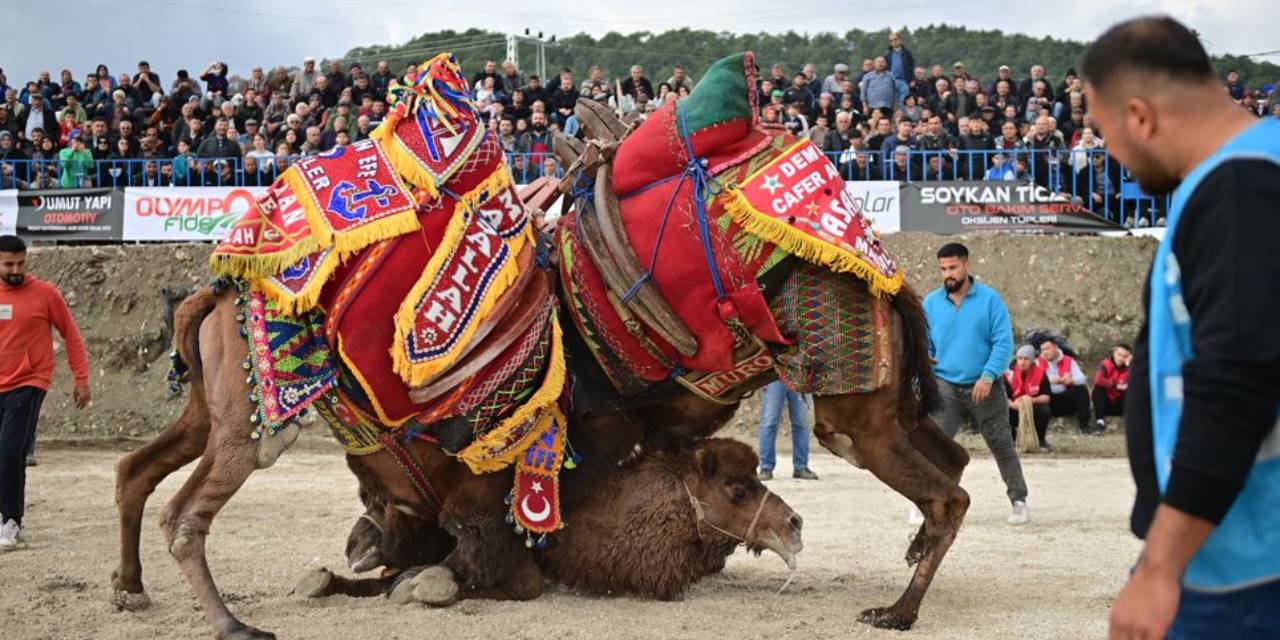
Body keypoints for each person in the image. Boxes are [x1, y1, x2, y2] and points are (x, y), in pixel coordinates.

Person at [1080, 16, 1280, 639]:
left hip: (1244, 565)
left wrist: (1161, 565)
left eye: (1104, 133)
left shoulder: (1240, 188)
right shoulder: (1248, 171)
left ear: (1139, 116)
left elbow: (1236, 384)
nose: (1108, 152)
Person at [923, 242, 1029, 525]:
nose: (948, 274)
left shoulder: (990, 300)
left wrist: (988, 375)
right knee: (936, 446)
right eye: (943, 269)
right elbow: (926, 343)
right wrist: (926, 358)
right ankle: (929, 502)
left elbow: (1003, 342)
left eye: (953, 268)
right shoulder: (931, 302)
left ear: (966, 265)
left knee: (1001, 443)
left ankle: (1019, 500)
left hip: (985, 385)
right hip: (945, 384)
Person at [0, 235, 91, 550]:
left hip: (30, 381)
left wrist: (81, 379)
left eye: (21, 263)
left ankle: (10, 521)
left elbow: (72, 336)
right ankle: (10, 514)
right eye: (9, 264)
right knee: (7, 454)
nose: (16, 269)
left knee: (10, 452)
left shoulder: (45, 294)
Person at [756, 380, 819, 481]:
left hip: (800, 376)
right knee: (769, 422)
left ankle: (801, 467)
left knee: (801, 423)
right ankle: (766, 468)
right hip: (774, 377)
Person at [1037, 339, 1094, 434]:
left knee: (1081, 389)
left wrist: (1071, 380)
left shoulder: (1068, 360)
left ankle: (1084, 426)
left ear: (1055, 347)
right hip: (1048, 402)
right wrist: (1060, 380)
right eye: (1043, 350)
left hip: (1065, 399)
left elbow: (1082, 378)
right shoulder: (1038, 362)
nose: (1045, 352)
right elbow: (1036, 382)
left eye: (1047, 348)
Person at [1006, 344, 1052, 451]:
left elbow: (1046, 397)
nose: (1022, 362)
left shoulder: (1040, 373)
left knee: (1044, 410)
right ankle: (1011, 439)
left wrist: (1032, 400)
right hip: (1014, 408)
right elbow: (1003, 398)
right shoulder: (1008, 374)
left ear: (1032, 360)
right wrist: (1014, 405)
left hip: (1032, 409)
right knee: (1000, 411)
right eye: (1020, 358)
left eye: (1026, 359)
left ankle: (1040, 440)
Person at [1092, 343, 1131, 433]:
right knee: (1098, 388)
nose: (1121, 358)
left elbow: (1137, 383)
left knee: (1132, 391)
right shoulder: (1106, 364)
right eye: (1119, 354)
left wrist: (1130, 365)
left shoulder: (1131, 368)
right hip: (1107, 403)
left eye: (1125, 356)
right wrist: (1116, 386)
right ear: (1114, 353)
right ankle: (1100, 422)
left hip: (1121, 405)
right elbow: (1098, 379)